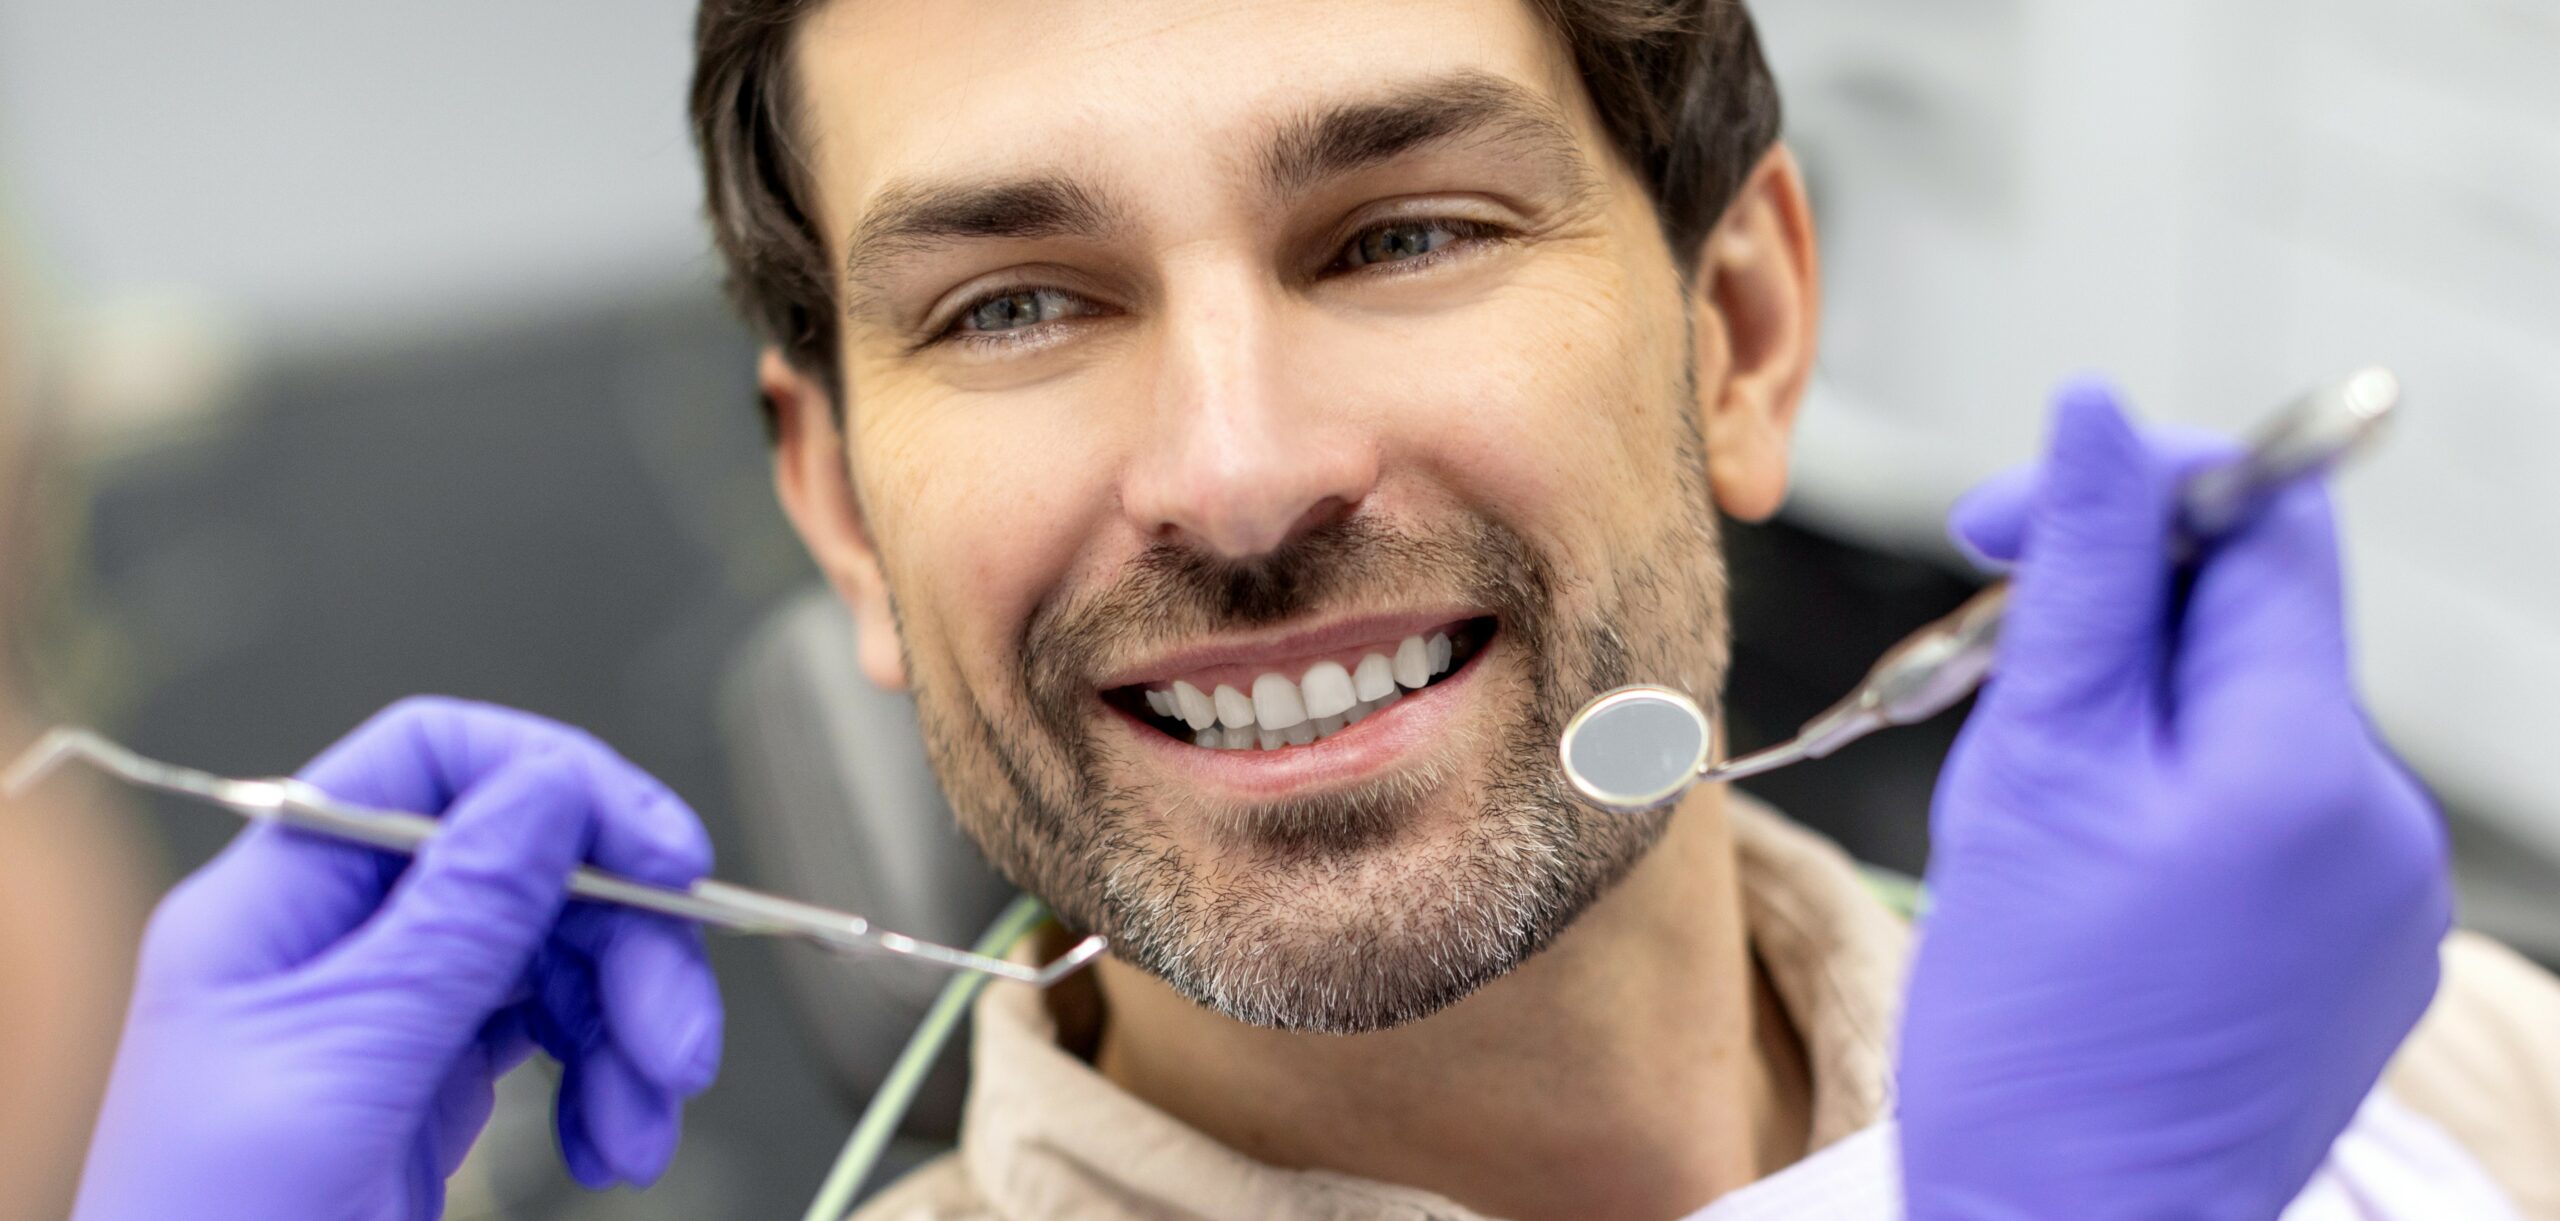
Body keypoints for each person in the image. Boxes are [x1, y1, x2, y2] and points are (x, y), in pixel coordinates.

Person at [61, 1, 2560, 1218]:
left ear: (1738, 339)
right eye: (1014, 303)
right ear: (839, 508)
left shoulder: (2416, 1077)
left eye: (1399, 233)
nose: (1239, 471)